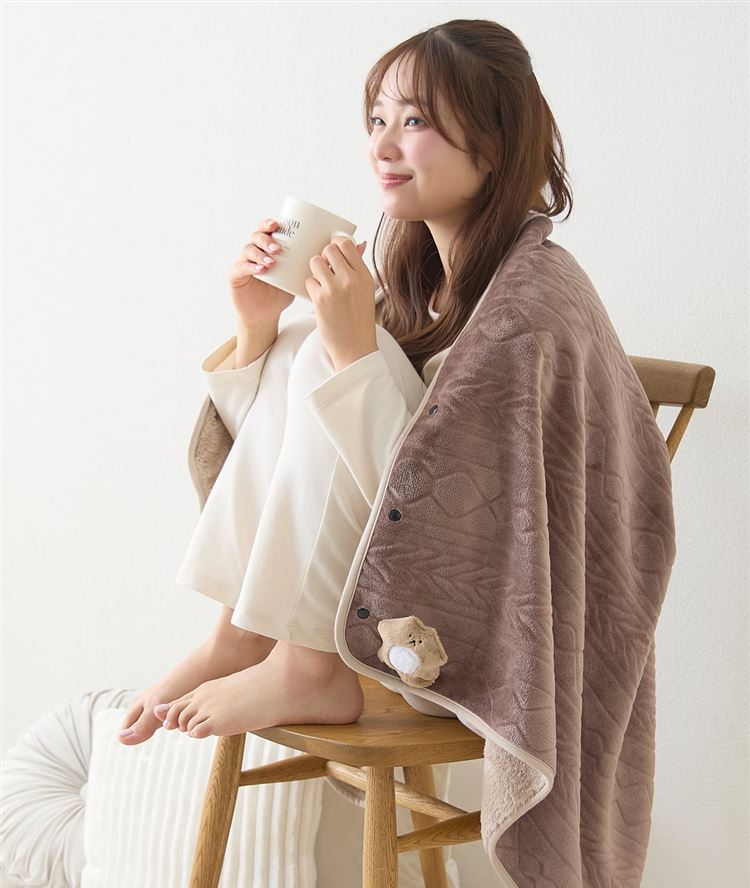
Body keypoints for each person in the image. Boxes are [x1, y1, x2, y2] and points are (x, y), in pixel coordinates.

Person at [117, 18, 572, 745]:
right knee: (306, 337)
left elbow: (456, 517)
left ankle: (308, 667)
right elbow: (299, 465)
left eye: (414, 121)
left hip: (456, 639)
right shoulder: (417, 289)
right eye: (377, 119)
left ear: (492, 145)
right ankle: (243, 634)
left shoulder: (530, 306)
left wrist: (355, 351)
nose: (382, 146)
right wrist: (257, 328)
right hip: (376, 605)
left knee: (332, 350)